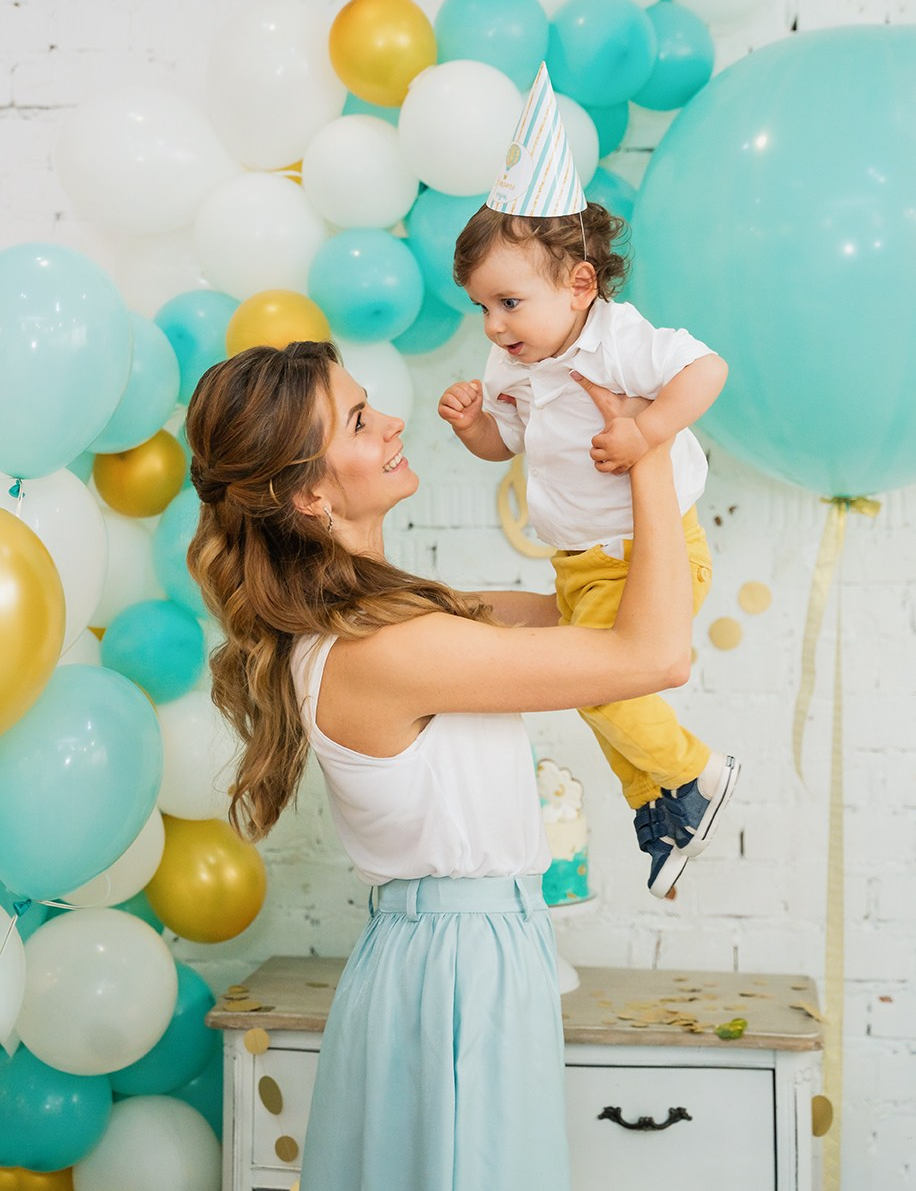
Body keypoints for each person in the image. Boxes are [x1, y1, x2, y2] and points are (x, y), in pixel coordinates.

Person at [185, 337, 694, 1191]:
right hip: (459, 970)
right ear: (309, 492)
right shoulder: (389, 650)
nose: (391, 421)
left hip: (469, 954)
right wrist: (652, 446)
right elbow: (655, 654)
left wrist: (578, 453)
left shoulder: (404, 619)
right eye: (357, 418)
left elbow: (596, 612)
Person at [438, 63, 739, 900]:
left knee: (604, 691)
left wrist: (647, 427)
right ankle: (665, 803)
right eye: (482, 309)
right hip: (578, 564)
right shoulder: (514, 359)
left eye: (508, 303)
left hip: (649, 552)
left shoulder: (619, 340)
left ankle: (699, 771)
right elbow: (506, 447)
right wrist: (475, 426)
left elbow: (707, 369)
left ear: (578, 285)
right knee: (594, 697)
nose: (495, 327)